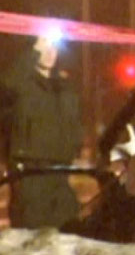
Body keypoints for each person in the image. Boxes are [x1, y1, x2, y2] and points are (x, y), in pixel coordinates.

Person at [0, 32, 82, 229]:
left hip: (60, 174)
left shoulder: (63, 87)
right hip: (30, 173)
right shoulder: (20, 84)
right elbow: (7, 85)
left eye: (53, 48)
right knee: (32, 240)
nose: (49, 53)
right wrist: (34, 52)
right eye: (43, 48)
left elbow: (74, 123)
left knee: (68, 234)